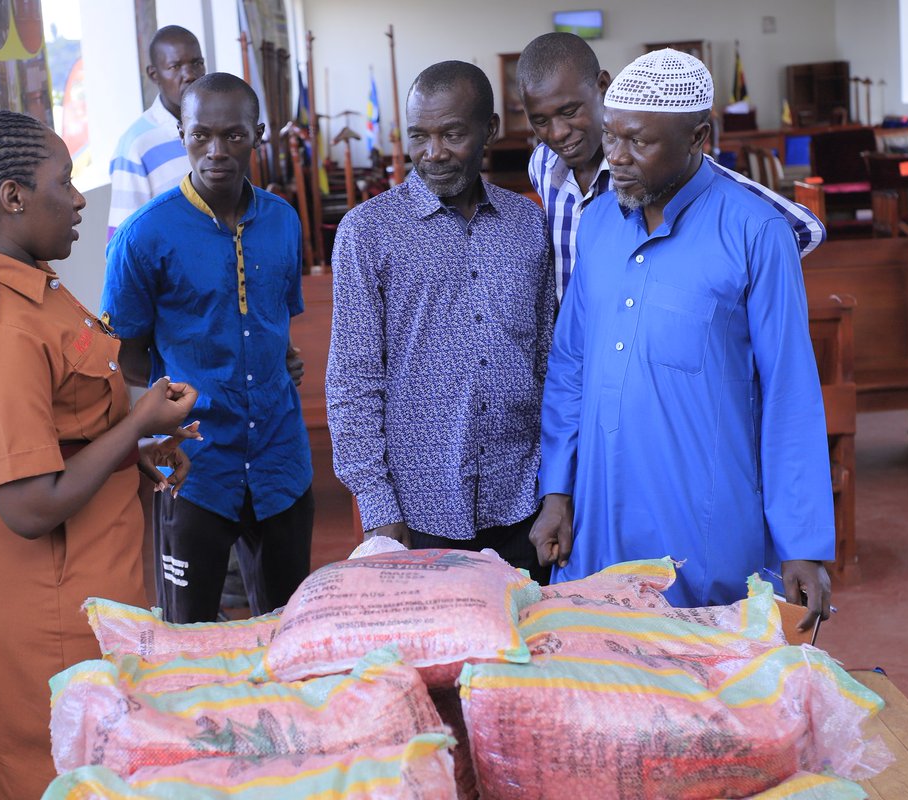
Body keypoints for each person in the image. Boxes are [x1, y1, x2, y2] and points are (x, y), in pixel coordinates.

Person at [0, 109, 198, 799]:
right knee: (57, 778)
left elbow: (65, 424)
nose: (81, 197)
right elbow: (29, 504)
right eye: (64, 181)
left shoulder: (34, 282)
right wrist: (138, 423)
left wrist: (128, 455)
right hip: (40, 614)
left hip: (82, 579)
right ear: (13, 197)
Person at [532, 49, 834, 630]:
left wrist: (803, 541)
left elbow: (790, 395)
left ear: (698, 136)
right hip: (598, 522)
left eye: (637, 143)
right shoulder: (597, 224)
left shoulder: (756, 232)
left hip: (705, 528)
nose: (615, 158)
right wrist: (558, 493)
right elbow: (570, 367)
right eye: (610, 137)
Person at [327, 61, 556, 578]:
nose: (434, 153)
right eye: (419, 136)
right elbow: (352, 381)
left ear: (488, 131)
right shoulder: (369, 233)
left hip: (524, 501)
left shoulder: (527, 225)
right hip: (418, 514)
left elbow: (548, 362)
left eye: (452, 134)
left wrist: (556, 489)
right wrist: (379, 508)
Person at [102, 73, 314, 623]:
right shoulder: (144, 235)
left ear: (258, 134)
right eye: (200, 136)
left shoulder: (283, 222)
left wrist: (277, 362)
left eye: (233, 136)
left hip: (280, 458)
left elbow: (275, 322)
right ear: (181, 132)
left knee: (290, 629)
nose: (216, 152)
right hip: (196, 466)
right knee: (188, 633)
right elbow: (125, 355)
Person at [517, 32, 825, 301]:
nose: (557, 133)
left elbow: (804, 228)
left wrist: (720, 293)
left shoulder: (660, 169)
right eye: (540, 121)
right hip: (571, 354)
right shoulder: (542, 165)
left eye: (569, 112)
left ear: (602, 86)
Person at [108, 24, 205, 237]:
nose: (190, 75)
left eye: (197, 63)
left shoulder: (216, 129)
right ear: (154, 75)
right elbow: (123, 240)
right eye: (175, 66)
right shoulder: (136, 145)